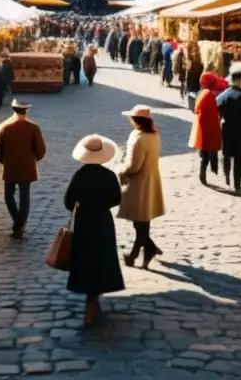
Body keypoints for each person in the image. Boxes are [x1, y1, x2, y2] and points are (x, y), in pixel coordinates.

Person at [64, 135, 125, 327]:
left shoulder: (79, 175)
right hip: (102, 220)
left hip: (83, 221)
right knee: (102, 255)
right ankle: (96, 293)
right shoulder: (109, 175)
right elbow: (117, 199)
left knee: (85, 256)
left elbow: (68, 201)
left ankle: (89, 294)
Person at [117, 105, 165, 269]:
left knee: (139, 222)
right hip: (151, 179)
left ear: (136, 120)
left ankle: (139, 253)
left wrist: (120, 170)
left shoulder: (138, 138)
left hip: (138, 184)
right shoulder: (154, 134)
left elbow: (133, 167)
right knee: (143, 220)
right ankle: (144, 251)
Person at [0, 99, 47, 238]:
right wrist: (32, 160)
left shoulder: (5, 127)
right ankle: (20, 224)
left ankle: (17, 220)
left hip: (10, 167)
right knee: (25, 197)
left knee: (8, 196)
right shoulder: (33, 127)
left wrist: (4, 161)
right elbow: (41, 150)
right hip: (27, 167)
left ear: (13, 109)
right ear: (26, 111)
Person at [190, 72, 222, 185]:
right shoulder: (208, 94)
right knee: (205, 156)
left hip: (203, 128)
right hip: (207, 129)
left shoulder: (202, 93)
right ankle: (202, 174)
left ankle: (203, 173)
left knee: (205, 155)